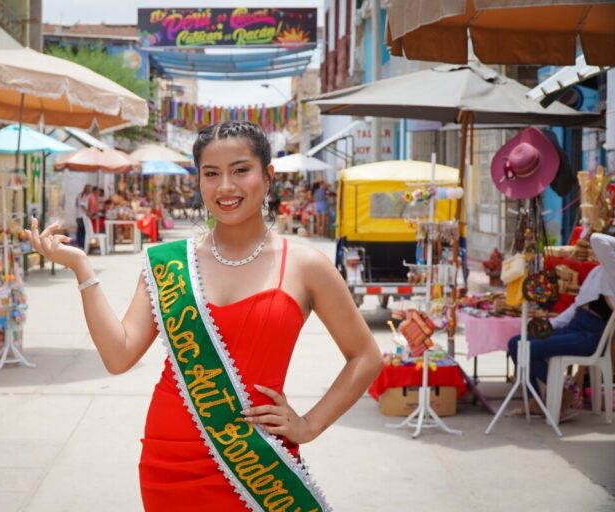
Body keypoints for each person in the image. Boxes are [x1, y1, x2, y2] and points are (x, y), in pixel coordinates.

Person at [25, 121, 382, 511]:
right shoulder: (169, 263)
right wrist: (82, 269)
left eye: (241, 170)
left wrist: (310, 424)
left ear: (267, 176)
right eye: (211, 174)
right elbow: (119, 355)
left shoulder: (305, 265)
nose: (226, 186)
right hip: (169, 459)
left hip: (256, 463)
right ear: (199, 182)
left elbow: (366, 356)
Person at [507, 233, 615, 419]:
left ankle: (566, 390)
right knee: (517, 342)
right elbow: (577, 305)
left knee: (529, 349)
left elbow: (597, 239)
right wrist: (552, 325)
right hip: (574, 326)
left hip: (591, 335)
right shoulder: (599, 271)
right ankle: (540, 400)